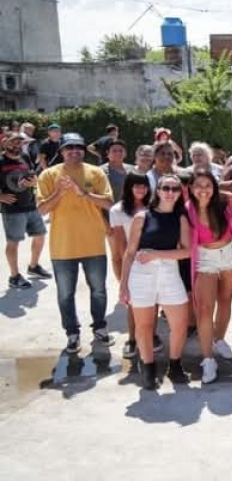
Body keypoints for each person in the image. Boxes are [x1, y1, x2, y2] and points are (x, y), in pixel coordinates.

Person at [37, 133, 115, 354]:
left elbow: (109, 203)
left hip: (94, 245)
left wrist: (85, 194)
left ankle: (100, 327)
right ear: (61, 151)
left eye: (78, 147)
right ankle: (72, 333)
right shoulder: (48, 175)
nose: (74, 151)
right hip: (63, 247)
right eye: (69, 147)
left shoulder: (96, 172)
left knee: (99, 290)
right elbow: (42, 209)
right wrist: (59, 193)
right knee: (65, 294)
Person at [119, 174, 191, 390]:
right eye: (166, 188)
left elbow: (187, 251)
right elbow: (130, 252)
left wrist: (157, 254)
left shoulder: (181, 218)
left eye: (175, 189)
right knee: (144, 325)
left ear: (180, 193)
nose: (170, 192)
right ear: (157, 190)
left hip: (168, 271)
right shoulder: (142, 217)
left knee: (179, 324)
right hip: (141, 274)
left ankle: (175, 365)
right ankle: (148, 367)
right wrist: (123, 285)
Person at [187, 169, 232, 384]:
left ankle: (218, 340)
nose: (203, 190)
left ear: (214, 186)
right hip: (205, 257)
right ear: (191, 188)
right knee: (204, 308)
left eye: (207, 185)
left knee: (226, 300)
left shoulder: (225, 200)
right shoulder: (187, 209)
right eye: (198, 185)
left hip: (229, 253)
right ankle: (208, 359)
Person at [108, 171, 162, 359]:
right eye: (136, 185)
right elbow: (120, 244)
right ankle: (132, 339)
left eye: (144, 185)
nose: (141, 189)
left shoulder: (154, 206)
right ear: (128, 187)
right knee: (134, 304)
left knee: (154, 302)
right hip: (132, 263)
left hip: (154, 259)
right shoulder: (117, 210)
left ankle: (152, 335)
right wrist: (126, 271)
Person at [1, 132, 51, 289]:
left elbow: (31, 175)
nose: (17, 145)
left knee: (40, 236)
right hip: (12, 209)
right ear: (5, 143)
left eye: (19, 142)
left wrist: (34, 182)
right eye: (13, 142)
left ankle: (33, 266)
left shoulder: (25, 156)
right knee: (13, 242)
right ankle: (14, 276)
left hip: (30, 204)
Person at [101, 139, 134, 205]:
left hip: (130, 211)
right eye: (114, 151)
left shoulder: (133, 169)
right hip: (108, 212)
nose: (118, 153)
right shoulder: (101, 171)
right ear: (107, 153)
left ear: (125, 153)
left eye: (121, 151)